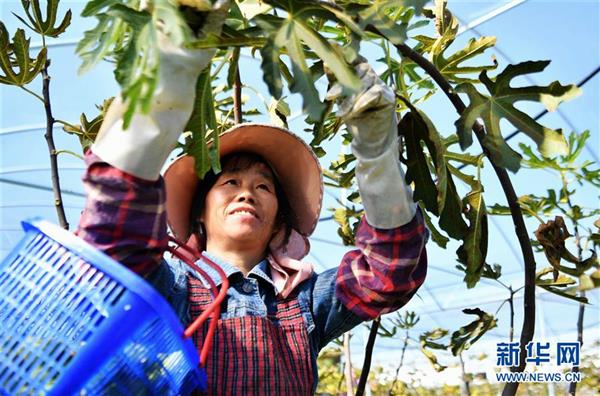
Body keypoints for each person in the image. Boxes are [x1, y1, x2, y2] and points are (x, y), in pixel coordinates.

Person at [76, 1, 428, 394]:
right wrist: (169, 80)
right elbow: (111, 247)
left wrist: (377, 152)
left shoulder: (303, 302)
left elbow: (388, 272)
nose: (247, 192)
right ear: (199, 214)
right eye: (229, 183)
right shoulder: (172, 285)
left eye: (264, 187)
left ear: (279, 220)